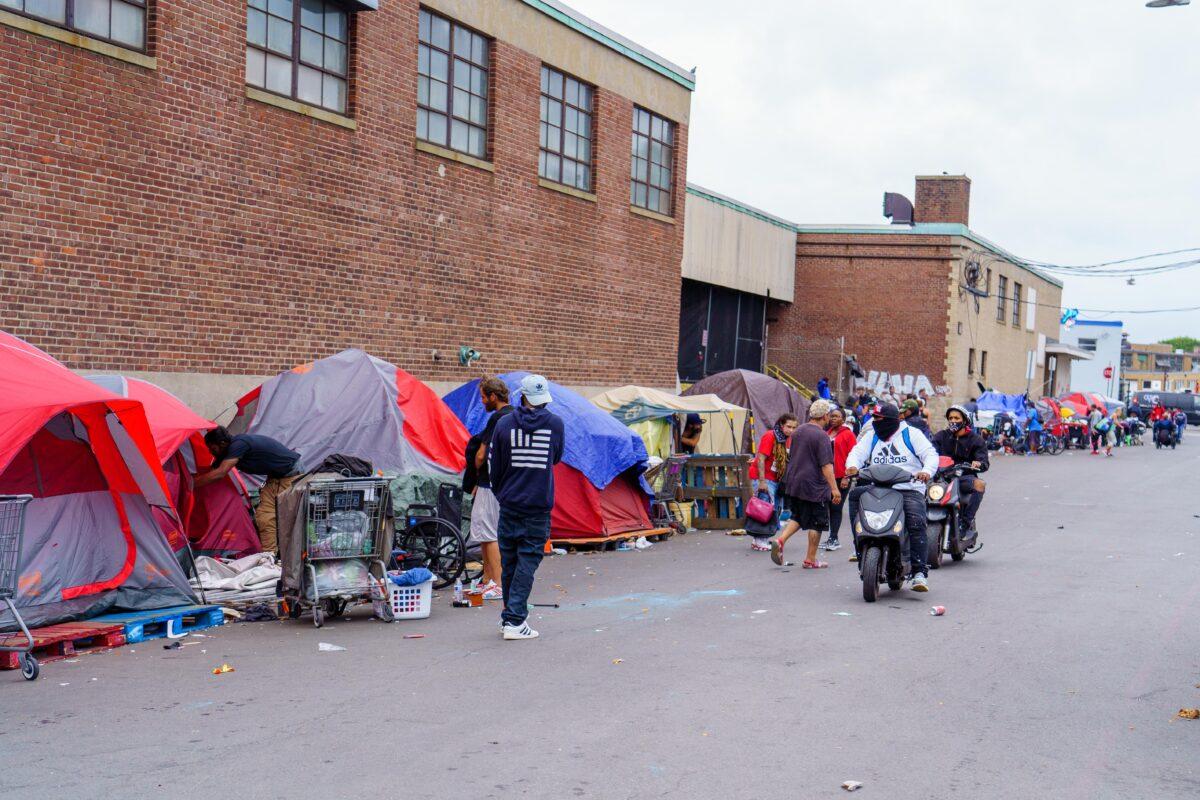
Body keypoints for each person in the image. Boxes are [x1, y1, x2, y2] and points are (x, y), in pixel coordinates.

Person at [488, 374, 565, 641]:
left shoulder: (504, 424)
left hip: (509, 503)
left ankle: (508, 616)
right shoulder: (555, 424)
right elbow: (556, 457)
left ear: (522, 396)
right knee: (527, 562)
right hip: (537, 505)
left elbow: (494, 466)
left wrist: (502, 493)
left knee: (510, 563)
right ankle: (514, 620)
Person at [844, 403, 938, 591]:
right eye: (874, 418)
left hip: (908, 488)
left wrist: (926, 471)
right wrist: (853, 466)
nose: (875, 422)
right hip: (878, 488)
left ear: (892, 420)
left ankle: (919, 572)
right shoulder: (872, 436)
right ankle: (859, 546)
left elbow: (930, 454)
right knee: (855, 495)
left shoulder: (911, 434)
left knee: (915, 522)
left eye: (879, 419)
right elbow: (857, 453)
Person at [199, 427, 300, 553]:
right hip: (275, 478)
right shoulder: (227, 451)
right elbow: (213, 470)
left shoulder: (239, 445)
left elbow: (220, 473)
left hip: (291, 475)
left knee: (288, 518)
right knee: (264, 517)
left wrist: (192, 484)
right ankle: (269, 556)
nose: (210, 452)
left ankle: (293, 554)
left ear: (223, 443)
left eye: (212, 449)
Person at [769, 400, 841, 570]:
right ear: (825, 416)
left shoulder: (798, 431)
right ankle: (810, 559)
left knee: (799, 516)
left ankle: (780, 540)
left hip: (795, 481)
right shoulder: (821, 435)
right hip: (814, 484)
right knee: (817, 522)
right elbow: (826, 465)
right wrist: (834, 489)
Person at [464, 377, 514, 601]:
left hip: (488, 482)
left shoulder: (497, 418)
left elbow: (481, 454)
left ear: (494, 396)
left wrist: (476, 472)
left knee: (487, 532)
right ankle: (487, 579)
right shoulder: (516, 415)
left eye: (484, 397)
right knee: (488, 531)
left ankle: (496, 583)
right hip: (505, 481)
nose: (483, 401)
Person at [930, 405, 990, 541]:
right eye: (950, 418)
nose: (953, 421)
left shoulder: (976, 440)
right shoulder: (941, 436)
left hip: (963, 478)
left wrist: (978, 464)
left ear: (964, 420)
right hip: (942, 478)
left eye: (956, 418)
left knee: (980, 484)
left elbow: (984, 463)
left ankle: (965, 522)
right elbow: (930, 452)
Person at [750, 413, 799, 551]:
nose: (791, 430)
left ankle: (760, 538)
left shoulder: (787, 439)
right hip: (765, 478)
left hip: (776, 479)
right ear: (781, 425)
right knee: (764, 508)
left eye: (794, 427)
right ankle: (760, 539)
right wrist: (761, 481)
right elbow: (761, 459)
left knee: (773, 509)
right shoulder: (770, 435)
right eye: (788, 426)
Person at [822, 407, 857, 552]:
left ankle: (834, 538)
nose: (833, 419)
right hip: (827, 477)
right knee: (828, 507)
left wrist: (847, 477)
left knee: (836, 507)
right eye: (831, 416)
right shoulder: (827, 433)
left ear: (843, 419)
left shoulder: (848, 434)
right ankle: (830, 537)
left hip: (841, 476)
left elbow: (853, 456)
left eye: (836, 416)